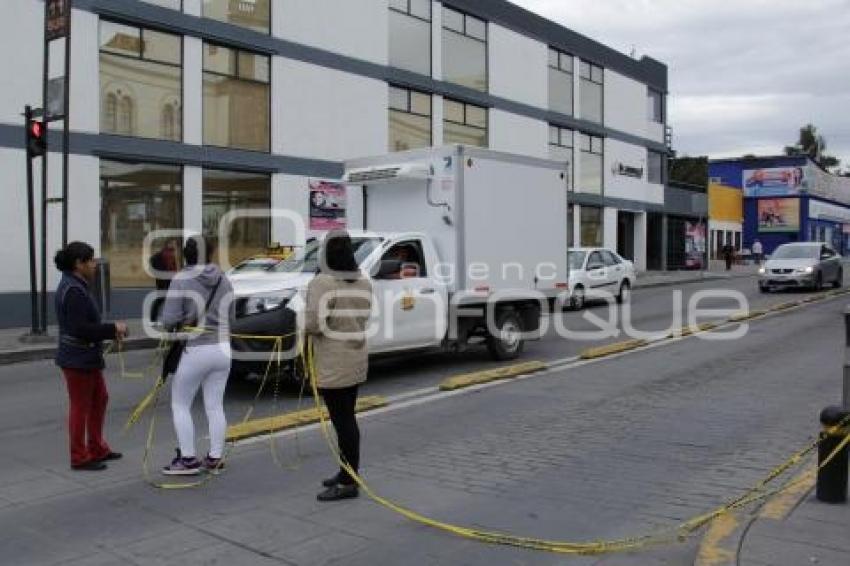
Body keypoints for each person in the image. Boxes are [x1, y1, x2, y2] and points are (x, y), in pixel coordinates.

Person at [306, 230, 373, 501]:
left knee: (343, 421)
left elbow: (313, 324)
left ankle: (348, 482)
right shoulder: (364, 282)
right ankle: (347, 473)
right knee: (348, 418)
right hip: (356, 358)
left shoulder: (323, 282)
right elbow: (364, 318)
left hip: (333, 362)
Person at [160, 236, 233, 476]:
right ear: (210, 254)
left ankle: (188, 459)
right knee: (215, 405)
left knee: (180, 404)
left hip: (195, 348)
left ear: (186, 255)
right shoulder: (223, 278)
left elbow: (169, 320)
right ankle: (214, 457)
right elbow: (231, 314)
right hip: (223, 347)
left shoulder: (181, 279)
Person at [54, 242, 127, 471]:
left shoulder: (76, 284)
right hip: (77, 357)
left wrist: (109, 331)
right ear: (79, 264)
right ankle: (79, 456)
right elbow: (80, 329)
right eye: (91, 261)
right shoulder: (73, 290)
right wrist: (112, 329)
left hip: (86, 356)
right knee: (80, 406)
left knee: (100, 399)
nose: (95, 265)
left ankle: (96, 447)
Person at [149, 240, 178, 322]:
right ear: (168, 245)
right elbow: (170, 267)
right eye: (172, 244)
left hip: (166, 280)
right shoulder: (165, 254)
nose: (174, 245)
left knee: (165, 299)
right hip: (164, 280)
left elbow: (173, 267)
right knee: (161, 299)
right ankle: (154, 319)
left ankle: (157, 318)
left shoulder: (169, 254)